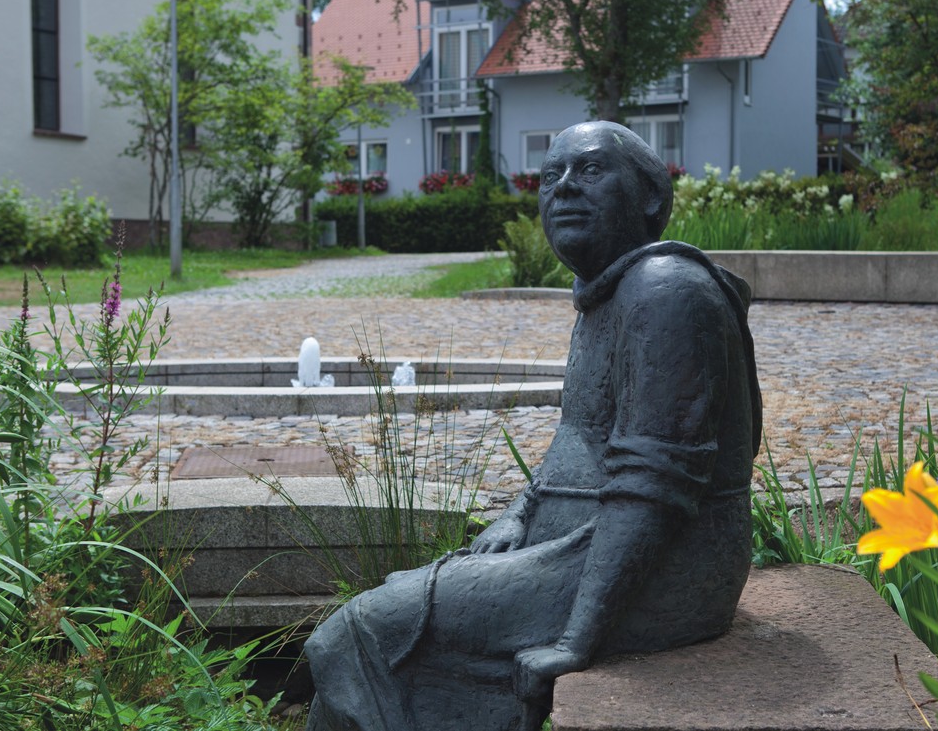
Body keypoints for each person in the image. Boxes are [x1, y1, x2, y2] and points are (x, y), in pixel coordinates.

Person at [305, 121, 760, 731]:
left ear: (651, 197)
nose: (563, 188)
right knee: (389, 613)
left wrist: (576, 640)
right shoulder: (609, 291)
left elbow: (654, 487)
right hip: (582, 548)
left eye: (590, 170)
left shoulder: (665, 291)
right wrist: (520, 514)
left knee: (358, 630)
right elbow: (579, 438)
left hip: (663, 574)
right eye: (551, 176)